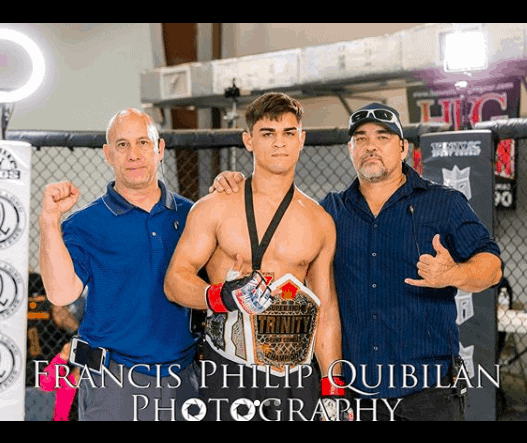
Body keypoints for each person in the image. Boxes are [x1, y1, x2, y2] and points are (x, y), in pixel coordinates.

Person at [210, 102, 503, 421]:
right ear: (350, 149)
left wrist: (454, 273)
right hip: (355, 393)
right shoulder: (329, 211)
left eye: (383, 137)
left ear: (403, 148)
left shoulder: (443, 203)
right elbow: (276, 231)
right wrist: (238, 186)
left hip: (429, 393)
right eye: (361, 138)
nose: (371, 146)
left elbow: (492, 267)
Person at [164, 92, 345, 421]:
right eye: (267, 133)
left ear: (301, 139)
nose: (279, 143)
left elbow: (326, 311)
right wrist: (220, 296)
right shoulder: (214, 207)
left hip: (295, 377)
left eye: (288, 133)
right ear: (248, 140)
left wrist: (333, 390)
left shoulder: (320, 221)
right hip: (229, 371)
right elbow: (175, 282)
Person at [39, 108, 200, 421]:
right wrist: (49, 220)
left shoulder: (193, 215)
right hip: (112, 382)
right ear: (108, 154)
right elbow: (60, 294)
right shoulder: (85, 224)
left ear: (160, 149)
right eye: (122, 145)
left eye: (143, 142)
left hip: (184, 377)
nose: (133, 154)